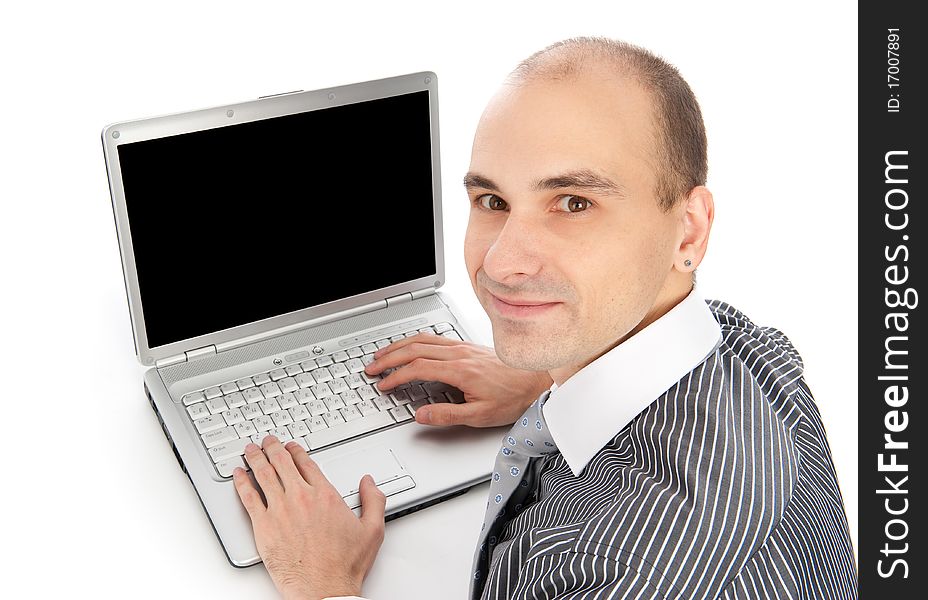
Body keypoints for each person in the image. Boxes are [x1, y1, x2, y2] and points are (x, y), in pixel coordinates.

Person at [231, 37, 857, 599]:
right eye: (493, 200)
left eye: (574, 202)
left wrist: (322, 585)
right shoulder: (754, 351)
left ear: (687, 230)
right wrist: (552, 380)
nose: (503, 264)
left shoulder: (630, 571)